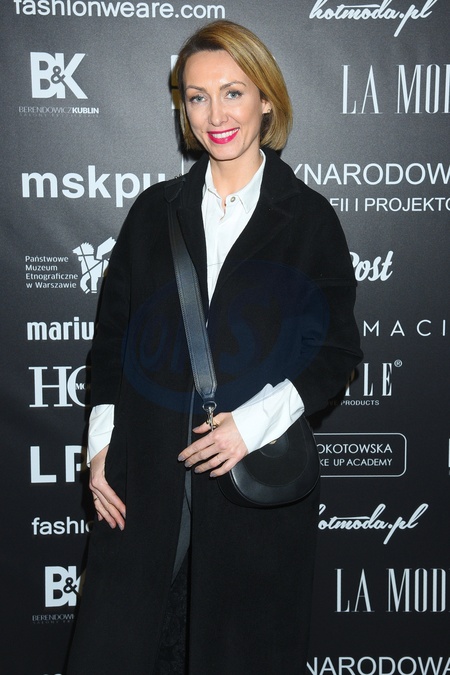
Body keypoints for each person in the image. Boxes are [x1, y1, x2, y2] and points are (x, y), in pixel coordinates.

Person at [67, 20, 362, 675]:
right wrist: (102, 447)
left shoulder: (308, 219)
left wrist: (251, 426)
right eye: (197, 97)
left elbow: (336, 352)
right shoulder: (154, 213)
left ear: (266, 99)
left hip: (251, 494)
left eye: (233, 92)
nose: (215, 115)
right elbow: (112, 341)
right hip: (143, 486)